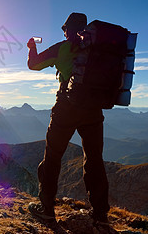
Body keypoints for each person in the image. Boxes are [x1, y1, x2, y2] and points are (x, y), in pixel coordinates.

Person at [26, 13, 110, 225]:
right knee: (94, 160)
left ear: (68, 30)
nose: (63, 32)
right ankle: (100, 214)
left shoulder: (61, 48)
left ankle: (46, 209)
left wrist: (31, 48)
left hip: (67, 107)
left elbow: (34, 65)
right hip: (93, 110)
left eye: (64, 29)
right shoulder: (97, 49)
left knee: (53, 157)